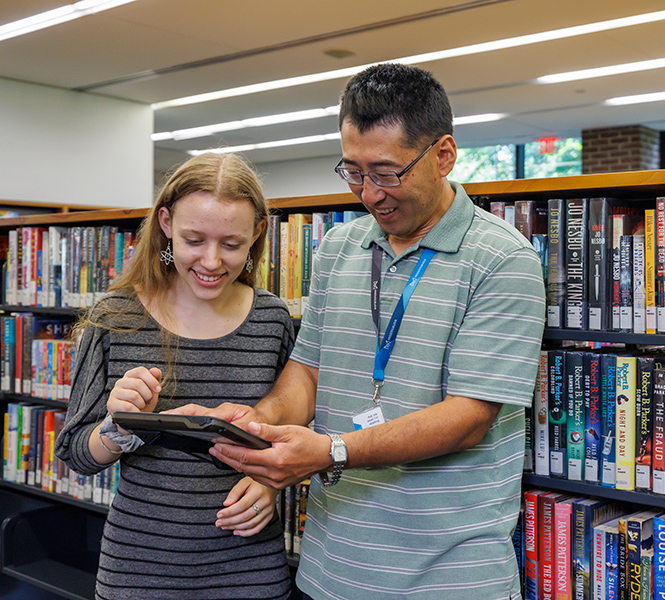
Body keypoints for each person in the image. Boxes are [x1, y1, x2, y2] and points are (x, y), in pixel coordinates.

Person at [174, 63, 546, 599]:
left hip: (445, 581)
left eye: (387, 172)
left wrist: (332, 451)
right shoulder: (338, 247)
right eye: (353, 171)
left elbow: (469, 418)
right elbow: (308, 370)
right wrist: (261, 422)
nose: (370, 194)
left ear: (444, 155)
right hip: (327, 569)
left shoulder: (502, 260)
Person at [55, 153, 296, 600]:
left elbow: (291, 430)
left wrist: (271, 483)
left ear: (258, 233)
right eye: (193, 240)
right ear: (165, 223)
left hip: (249, 568)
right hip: (139, 568)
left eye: (230, 244)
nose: (211, 261)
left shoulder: (272, 318)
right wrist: (118, 425)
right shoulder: (117, 316)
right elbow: (76, 454)